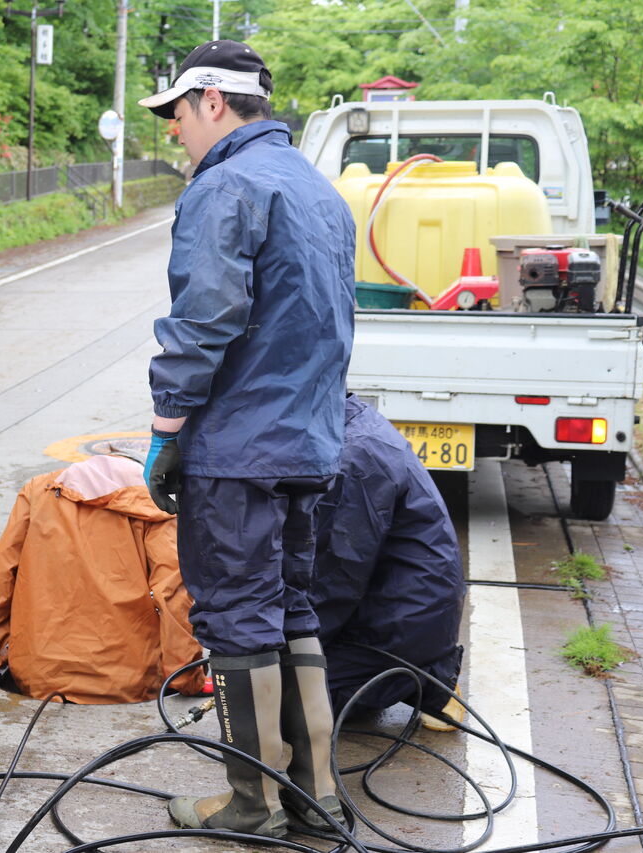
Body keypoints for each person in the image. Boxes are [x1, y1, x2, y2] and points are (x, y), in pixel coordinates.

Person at [137, 40, 357, 838]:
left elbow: (204, 319)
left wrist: (166, 429)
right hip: (308, 442)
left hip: (239, 448)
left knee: (236, 613)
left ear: (213, 101)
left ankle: (253, 803)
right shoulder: (318, 188)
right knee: (291, 605)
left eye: (177, 113)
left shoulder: (225, 185)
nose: (174, 130)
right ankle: (316, 794)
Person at [0, 453, 205, 703]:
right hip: (127, 682)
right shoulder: (156, 506)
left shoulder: (38, 491)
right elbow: (173, 596)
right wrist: (186, 678)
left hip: (38, 675)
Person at [312, 394, 466, 727]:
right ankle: (428, 674)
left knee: (282, 701)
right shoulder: (355, 422)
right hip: (413, 615)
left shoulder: (352, 457)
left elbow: (336, 577)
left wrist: (293, 646)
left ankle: (424, 679)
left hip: (398, 628)